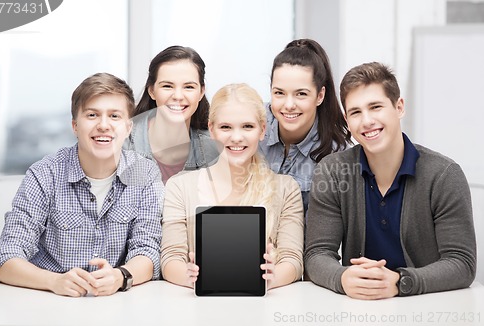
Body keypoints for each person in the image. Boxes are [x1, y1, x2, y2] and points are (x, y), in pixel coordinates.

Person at [304, 62, 477, 299]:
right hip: (356, 309)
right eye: (356, 112)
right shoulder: (332, 172)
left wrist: (399, 282)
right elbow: (316, 254)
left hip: (427, 306)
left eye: (375, 107)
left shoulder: (444, 174)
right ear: (346, 119)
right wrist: (342, 277)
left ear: (399, 107)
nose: (366, 121)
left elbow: (462, 264)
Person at [0, 73, 164, 297]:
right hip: (47, 302)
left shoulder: (145, 173)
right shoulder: (45, 174)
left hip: (116, 304)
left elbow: (147, 250)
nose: (103, 125)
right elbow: (5, 258)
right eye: (92, 115)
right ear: (75, 125)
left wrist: (121, 276)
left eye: (114, 116)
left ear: (128, 127)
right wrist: (54, 282)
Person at [161, 83, 304, 290]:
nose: (236, 137)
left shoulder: (286, 189)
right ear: (211, 130)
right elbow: (170, 258)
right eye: (225, 127)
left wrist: (272, 278)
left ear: (262, 130)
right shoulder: (180, 187)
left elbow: (293, 260)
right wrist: (189, 276)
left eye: (247, 126)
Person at [259, 38, 352, 214]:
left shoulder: (337, 155)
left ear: (320, 95)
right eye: (279, 93)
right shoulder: (250, 124)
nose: (288, 105)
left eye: (301, 94)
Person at [125, 45, 219, 184]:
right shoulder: (122, 143)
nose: (178, 96)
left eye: (189, 87)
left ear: (201, 92)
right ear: (151, 90)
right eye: (167, 86)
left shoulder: (214, 149)